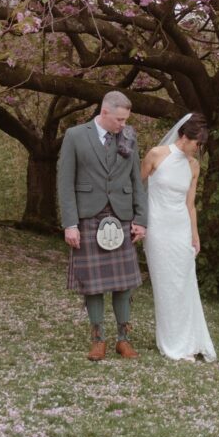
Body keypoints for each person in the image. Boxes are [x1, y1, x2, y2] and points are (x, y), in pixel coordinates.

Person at [57, 91, 147, 361]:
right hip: (88, 217)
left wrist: (141, 219)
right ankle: (98, 340)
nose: (123, 124)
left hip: (122, 216)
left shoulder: (129, 137)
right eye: (119, 119)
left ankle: (123, 339)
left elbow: (136, 180)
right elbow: (65, 182)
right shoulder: (75, 136)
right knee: (92, 284)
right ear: (104, 112)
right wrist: (70, 223)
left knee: (124, 283)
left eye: (125, 119)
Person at [141, 113, 217, 362]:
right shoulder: (156, 154)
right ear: (184, 136)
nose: (198, 149)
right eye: (197, 144)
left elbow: (190, 204)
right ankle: (173, 343)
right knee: (166, 286)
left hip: (181, 229)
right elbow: (135, 188)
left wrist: (195, 235)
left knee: (185, 284)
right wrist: (137, 221)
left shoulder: (193, 166)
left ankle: (191, 341)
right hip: (157, 228)